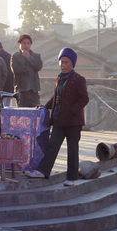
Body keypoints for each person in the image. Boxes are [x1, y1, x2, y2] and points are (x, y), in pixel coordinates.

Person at [24, 47, 89, 185]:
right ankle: (43, 171)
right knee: (52, 146)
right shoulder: (59, 78)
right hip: (59, 120)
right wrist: (45, 106)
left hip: (73, 122)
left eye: (66, 62)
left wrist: (73, 110)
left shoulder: (79, 79)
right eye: (61, 62)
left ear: (72, 64)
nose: (63, 65)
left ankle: (71, 178)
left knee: (72, 149)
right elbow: (56, 97)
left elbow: (84, 98)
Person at [11, 34, 44, 107]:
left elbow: (38, 66)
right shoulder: (15, 56)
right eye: (23, 43)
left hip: (33, 90)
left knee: (34, 112)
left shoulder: (36, 56)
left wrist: (29, 58)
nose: (26, 45)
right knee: (21, 114)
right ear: (19, 44)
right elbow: (16, 70)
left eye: (28, 43)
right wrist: (23, 58)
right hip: (21, 90)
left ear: (30, 44)